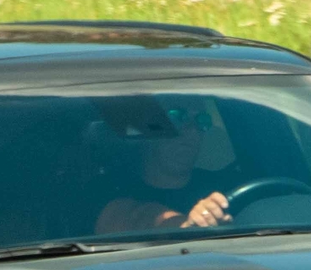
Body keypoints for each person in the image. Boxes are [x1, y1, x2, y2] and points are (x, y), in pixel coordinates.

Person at [94, 98, 231, 234]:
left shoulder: (224, 189)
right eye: (177, 116)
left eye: (202, 121)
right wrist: (185, 226)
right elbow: (137, 218)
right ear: (146, 128)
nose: (192, 130)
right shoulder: (110, 188)